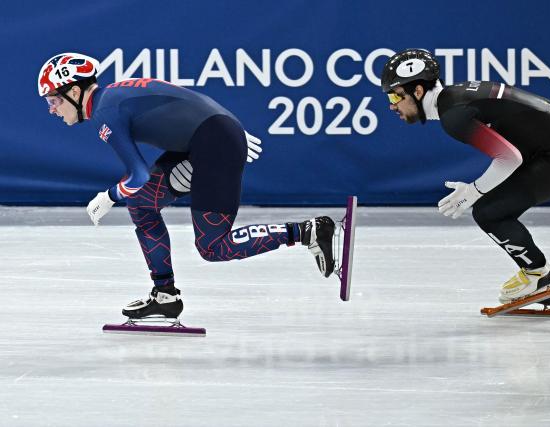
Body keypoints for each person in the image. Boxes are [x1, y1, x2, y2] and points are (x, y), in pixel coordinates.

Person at [38, 52, 336, 319]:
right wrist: (228, 124)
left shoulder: (104, 112)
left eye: (54, 101)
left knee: (214, 246)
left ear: (75, 91)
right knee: (141, 203)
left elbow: (137, 175)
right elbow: (179, 96)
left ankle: (307, 231)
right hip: (212, 136)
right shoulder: (112, 96)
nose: (51, 110)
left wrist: (109, 196)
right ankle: (165, 296)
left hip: (214, 142)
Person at [381, 49, 550, 305]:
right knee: (491, 206)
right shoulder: (455, 97)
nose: (392, 105)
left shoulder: (454, 116)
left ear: (417, 91)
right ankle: (540, 275)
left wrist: (474, 191)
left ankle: (538, 274)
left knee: (489, 212)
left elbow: (509, 158)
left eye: (396, 95)